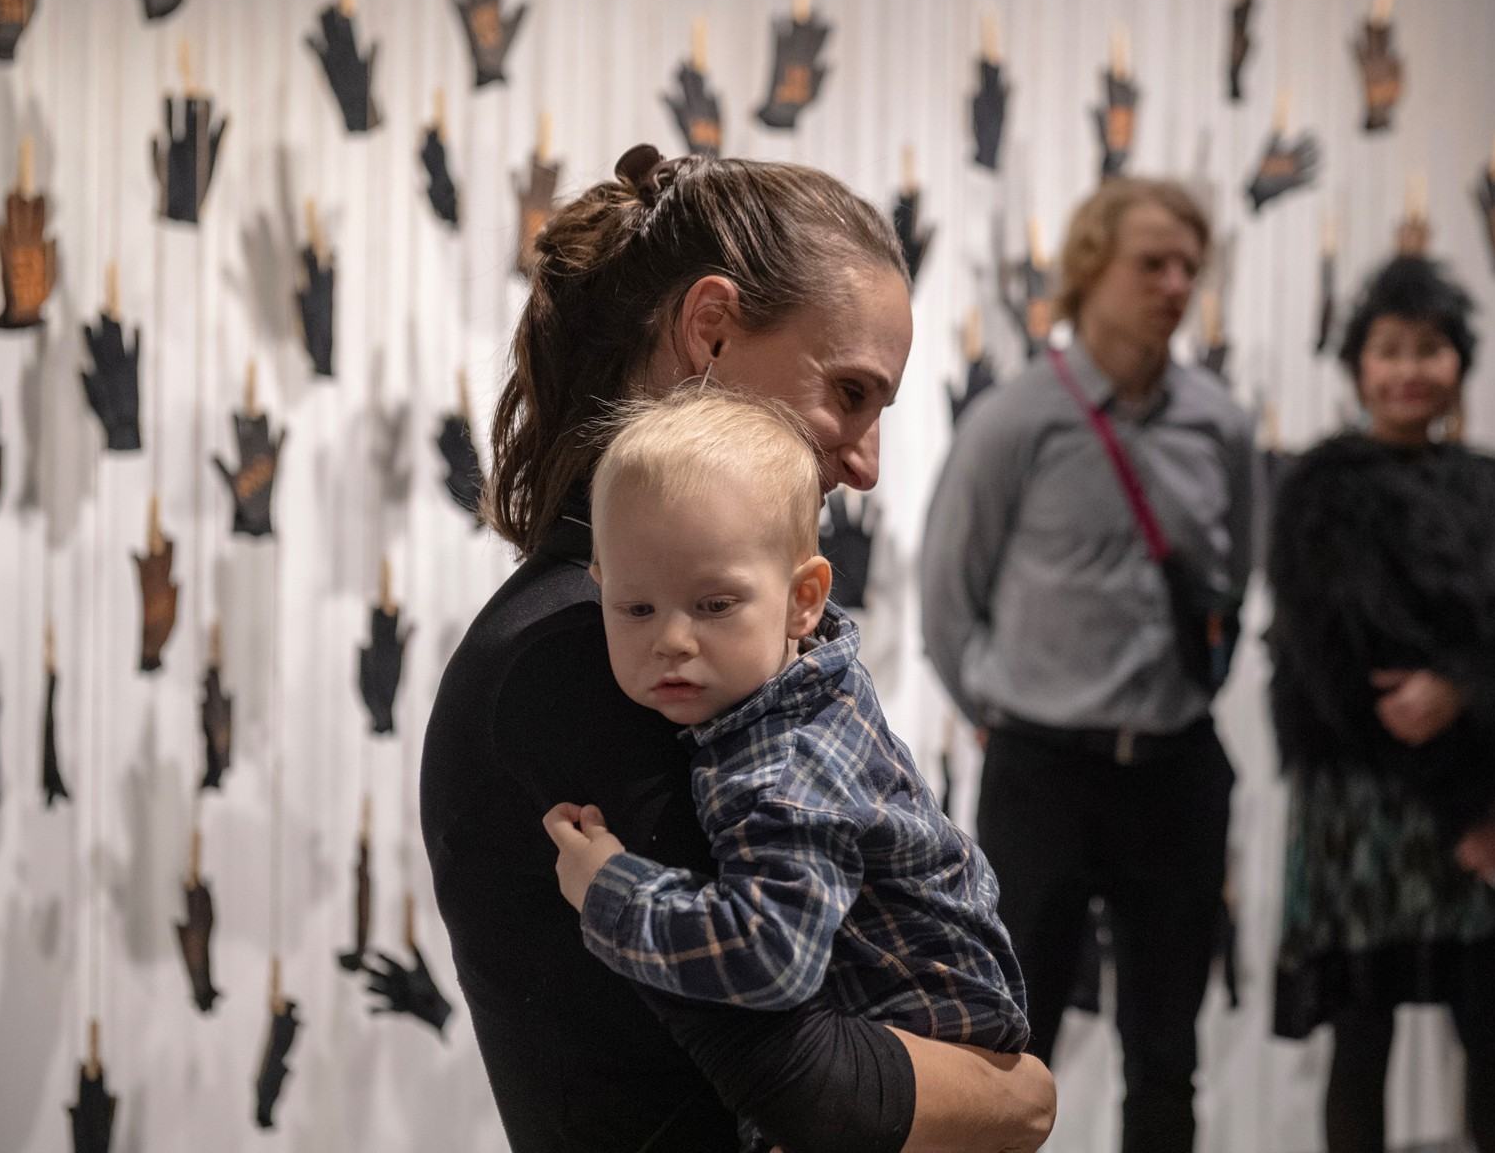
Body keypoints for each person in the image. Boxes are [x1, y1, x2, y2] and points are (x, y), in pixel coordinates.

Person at [421, 143, 1055, 1153]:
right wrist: (1022, 1098)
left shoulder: (630, 642)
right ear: (710, 330)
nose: (867, 463)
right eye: (850, 393)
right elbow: (806, 1081)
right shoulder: (580, 655)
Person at [539, 388, 1030, 1150]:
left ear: (803, 600)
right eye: (636, 609)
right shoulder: (810, 680)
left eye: (714, 605)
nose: (671, 640)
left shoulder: (784, 768)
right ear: (600, 585)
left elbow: (770, 958)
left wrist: (609, 890)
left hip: (923, 1045)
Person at [921, 176, 1253, 1153]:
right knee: (1005, 1047)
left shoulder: (1220, 425)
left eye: (1189, 266)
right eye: (1152, 263)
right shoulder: (1014, 421)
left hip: (1175, 768)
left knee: (1167, 1048)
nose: (1176, 284)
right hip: (1044, 774)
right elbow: (948, 597)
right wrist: (1003, 711)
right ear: (1090, 270)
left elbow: (1234, 580)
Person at [1266, 256, 1495, 1153]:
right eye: (1389, 349)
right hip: (1359, 798)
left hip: (1461, 789)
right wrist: (1463, 794)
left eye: (1430, 349)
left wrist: (1463, 692)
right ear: (1358, 365)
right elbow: (1334, 663)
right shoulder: (1319, 488)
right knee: (1363, 1038)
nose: (1409, 370)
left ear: (1458, 363)